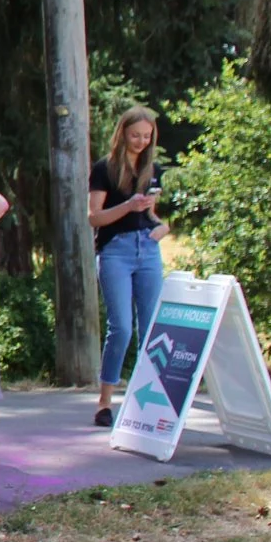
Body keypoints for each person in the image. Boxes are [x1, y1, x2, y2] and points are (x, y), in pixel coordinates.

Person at [90, 105, 168, 427]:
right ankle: (105, 401)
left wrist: (163, 227)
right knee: (121, 327)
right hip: (115, 252)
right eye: (135, 135)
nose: (140, 141)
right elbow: (94, 217)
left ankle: (146, 400)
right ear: (122, 133)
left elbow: (151, 216)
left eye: (146, 136)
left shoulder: (154, 170)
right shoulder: (104, 169)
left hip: (147, 249)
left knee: (151, 329)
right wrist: (127, 206)